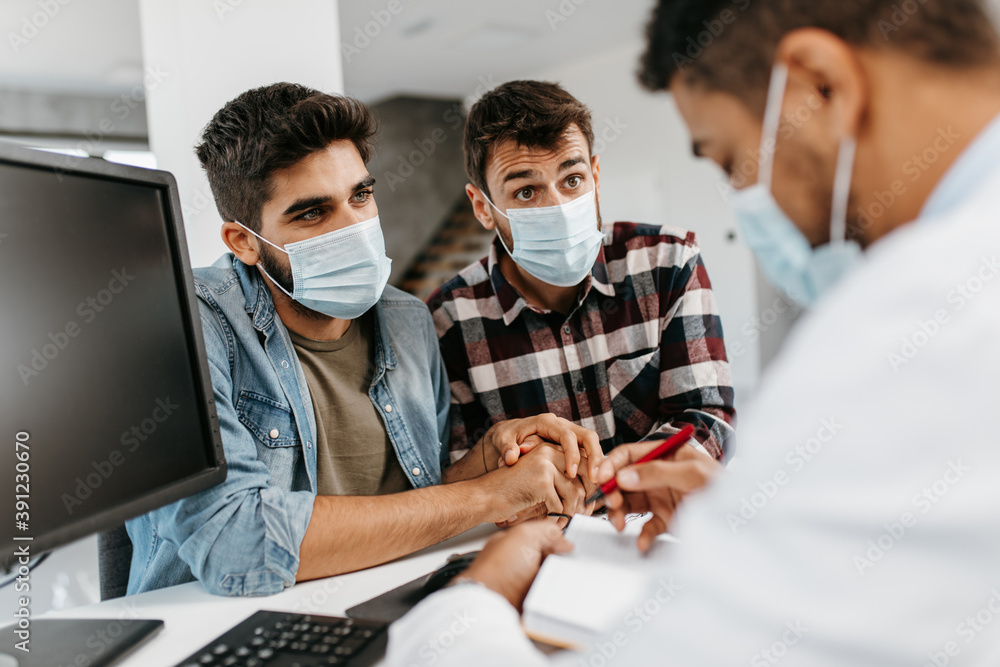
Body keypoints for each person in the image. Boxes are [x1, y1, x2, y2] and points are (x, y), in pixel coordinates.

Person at [384, 0, 1000, 663]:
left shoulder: (910, 330)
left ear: (820, 82)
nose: (751, 201)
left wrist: (474, 596)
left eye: (732, 161)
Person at [125, 83, 599, 597]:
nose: (354, 227)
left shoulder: (408, 320)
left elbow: (417, 504)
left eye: (361, 195)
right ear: (244, 242)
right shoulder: (183, 325)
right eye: (312, 213)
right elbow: (239, 545)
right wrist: (489, 495)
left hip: (387, 605)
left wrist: (486, 461)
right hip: (224, 633)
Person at [428, 80, 736, 506]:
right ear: (483, 207)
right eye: (526, 191)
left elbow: (707, 420)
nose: (556, 205)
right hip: (538, 544)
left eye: (571, 179)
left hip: (662, 521)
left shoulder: (668, 264)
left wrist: (616, 483)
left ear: (594, 174)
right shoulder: (448, 320)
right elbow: (460, 470)